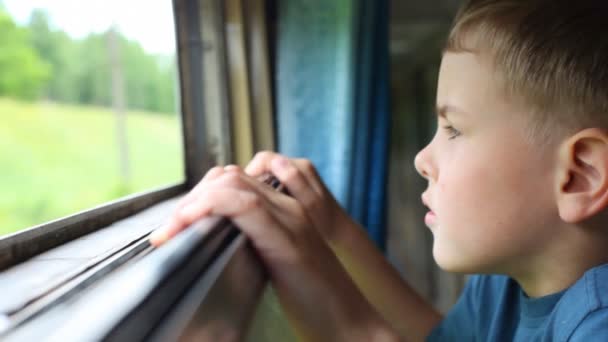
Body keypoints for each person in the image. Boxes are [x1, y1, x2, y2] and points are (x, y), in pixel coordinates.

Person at [149, 0, 608, 340]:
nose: (421, 160)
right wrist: (334, 231)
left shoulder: (596, 324)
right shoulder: (506, 284)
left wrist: (334, 306)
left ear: (579, 175)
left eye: (453, 129)